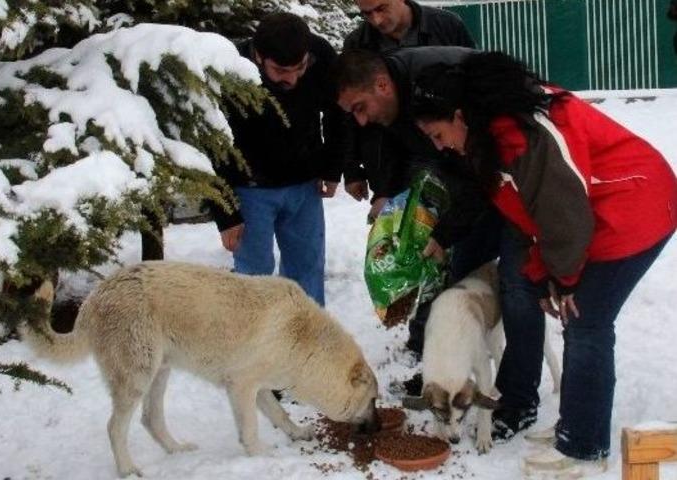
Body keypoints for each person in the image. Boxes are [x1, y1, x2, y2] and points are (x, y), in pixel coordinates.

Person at [409, 51, 677, 477]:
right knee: (578, 317)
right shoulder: (491, 134)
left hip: (634, 207)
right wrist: (543, 275)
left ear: (460, 116)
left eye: (440, 135)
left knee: (585, 321)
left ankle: (584, 444)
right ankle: (575, 426)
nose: (442, 147)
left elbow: (564, 217)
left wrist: (563, 280)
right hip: (600, 212)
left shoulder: (523, 135)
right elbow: (526, 214)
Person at [341, 2, 489, 386]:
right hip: (424, 165)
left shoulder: (443, 38)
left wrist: (446, 231)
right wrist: (382, 188)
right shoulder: (362, 50)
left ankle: (475, 353)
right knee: (424, 255)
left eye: (380, 8)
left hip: (467, 162)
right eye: (365, 14)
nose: (375, 20)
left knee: (463, 260)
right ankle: (426, 341)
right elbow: (379, 132)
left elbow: (473, 171)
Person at [209, 12, 344, 306]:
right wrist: (226, 214)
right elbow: (213, 143)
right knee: (254, 278)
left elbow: (338, 113)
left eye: (300, 67)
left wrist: (333, 168)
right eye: (282, 70)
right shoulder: (229, 67)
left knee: (307, 270)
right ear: (259, 57)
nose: (293, 79)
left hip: (304, 184)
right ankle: (254, 346)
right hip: (249, 189)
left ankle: (307, 340)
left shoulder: (319, 54)